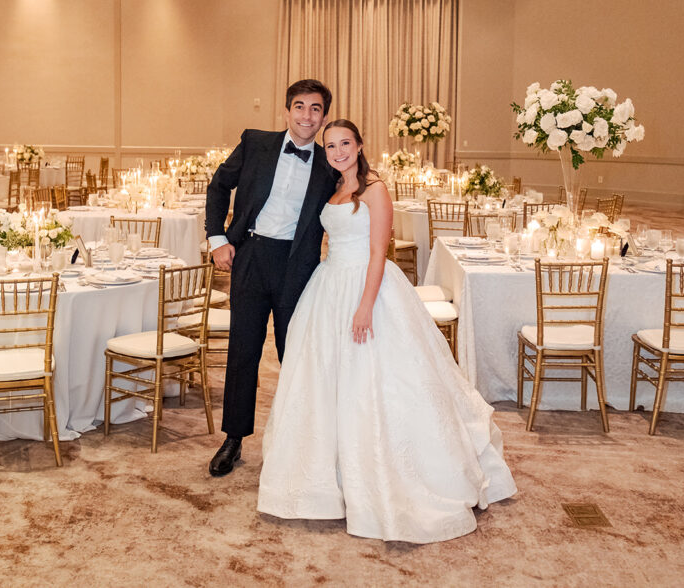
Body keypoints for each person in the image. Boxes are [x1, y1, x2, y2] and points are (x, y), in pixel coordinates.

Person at [257, 119, 516, 543]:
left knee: (381, 382)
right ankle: (327, 476)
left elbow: (379, 253)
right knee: (324, 382)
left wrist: (365, 307)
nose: (338, 151)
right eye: (330, 146)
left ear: (360, 145)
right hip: (329, 286)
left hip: (368, 288)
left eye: (345, 143)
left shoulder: (375, 190)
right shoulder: (331, 189)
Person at [204, 79, 338, 477]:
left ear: (324, 117)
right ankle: (233, 438)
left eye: (315, 109)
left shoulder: (330, 163)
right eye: (300, 106)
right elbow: (218, 186)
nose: (306, 116)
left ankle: (299, 439)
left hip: (297, 265)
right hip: (250, 255)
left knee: (293, 353)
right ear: (286, 110)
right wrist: (217, 239)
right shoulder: (256, 142)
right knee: (243, 351)